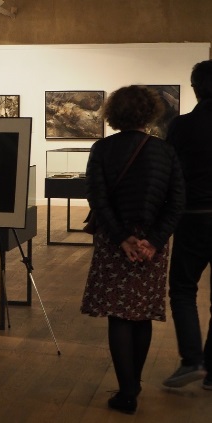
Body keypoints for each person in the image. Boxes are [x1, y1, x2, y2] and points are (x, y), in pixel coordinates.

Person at [80, 85, 185, 414]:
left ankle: (127, 392)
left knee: (119, 315)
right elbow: (177, 201)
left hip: (115, 241)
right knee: (141, 314)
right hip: (151, 242)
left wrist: (123, 237)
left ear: (113, 114)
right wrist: (153, 240)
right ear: (150, 112)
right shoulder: (164, 151)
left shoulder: (102, 149)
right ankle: (133, 384)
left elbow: (98, 198)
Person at [163, 60, 212, 390]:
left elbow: (170, 173)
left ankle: (193, 360)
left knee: (182, 289)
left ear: (195, 88)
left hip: (193, 217)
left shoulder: (182, 126)